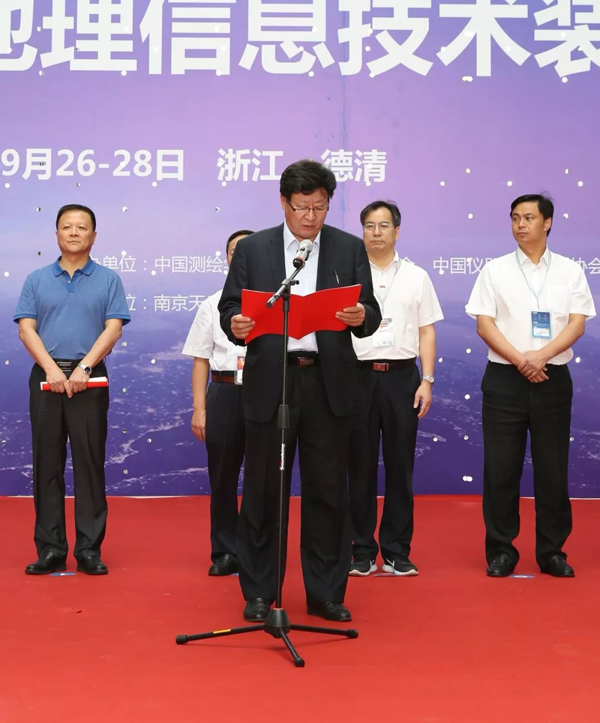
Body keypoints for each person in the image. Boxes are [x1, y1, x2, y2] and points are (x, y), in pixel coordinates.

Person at [219, 159, 381, 623]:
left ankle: (325, 592)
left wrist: (361, 317)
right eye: (301, 207)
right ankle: (259, 592)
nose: (311, 217)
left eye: (320, 207)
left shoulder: (348, 247)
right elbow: (231, 306)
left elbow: (370, 310)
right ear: (283, 202)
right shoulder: (254, 249)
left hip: (328, 382)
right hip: (273, 380)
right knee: (263, 490)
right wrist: (236, 323)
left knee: (328, 491)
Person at [466, 193, 595, 578]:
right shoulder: (495, 270)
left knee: (552, 468)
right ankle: (501, 550)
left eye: (528, 218)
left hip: (551, 378)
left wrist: (541, 356)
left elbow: (577, 323)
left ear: (547, 222)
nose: (520, 225)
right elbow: (484, 324)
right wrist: (522, 360)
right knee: (500, 468)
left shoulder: (570, 271)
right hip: (504, 379)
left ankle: (552, 551)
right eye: (515, 218)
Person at [14, 204, 130, 576]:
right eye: (67, 227)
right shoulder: (36, 279)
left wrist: (84, 367)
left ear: (94, 235)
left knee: (89, 464)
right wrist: (51, 368)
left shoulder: (108, 279)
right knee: (46, 464)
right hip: (46, 379)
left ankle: (89, 550)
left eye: (82, 227)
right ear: (57, 234)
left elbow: (113, 328)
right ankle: (50, 549)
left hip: (89, 380)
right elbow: (26, 328)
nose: (74, 233)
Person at [348, 200, 443, 578]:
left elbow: (426, 331)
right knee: (359, 466)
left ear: (397, 231)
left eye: (383, 225)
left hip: (402, 377)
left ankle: (396, 551)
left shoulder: (417, 276)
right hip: (358, 377)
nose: (376, 232)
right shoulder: (348, 275)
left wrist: (427, 379)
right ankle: (361, 550)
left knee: (401, 465)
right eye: (369, 226)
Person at [182, 229, 254, 576]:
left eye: (247, 250)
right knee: (223, 476)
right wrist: (200, 409)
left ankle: (257, 550)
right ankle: (225, 551)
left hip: (265, 392)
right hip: (224, 392)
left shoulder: (279, 302)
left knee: (262, 478)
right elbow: (200, 359)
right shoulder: (212, 304)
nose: (239, 256)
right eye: (233, 251)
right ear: (226, 259)